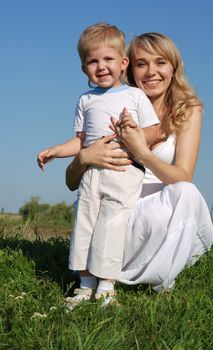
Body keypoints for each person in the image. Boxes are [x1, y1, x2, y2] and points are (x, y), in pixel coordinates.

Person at [65, 32, 213, 303]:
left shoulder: (188, 109)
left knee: (187, 193)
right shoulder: (107, 104)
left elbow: (183, 177)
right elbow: (71, 182)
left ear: (173, 68)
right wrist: (85, 158)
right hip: (117, 202)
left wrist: (141, 152)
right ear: (128, 67)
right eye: (141, 64)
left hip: (158, 210)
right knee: (90, 204)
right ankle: (96, 275)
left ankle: (156, 275)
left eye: (161, 63)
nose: (151, 72)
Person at [37, 24, 159, 307]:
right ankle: (84, 284)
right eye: (93, 61)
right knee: (85, 224)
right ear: (84, 68)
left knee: (111, 224)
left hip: (121, 169)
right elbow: (80, 141)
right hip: (91, 173)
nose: (101, 67)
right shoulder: (86, 99)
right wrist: (57, 150)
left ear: (123, 63)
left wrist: (133, 133)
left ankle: (106, 286)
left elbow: (154, 131)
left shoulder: (134, 96)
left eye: (108, 60)